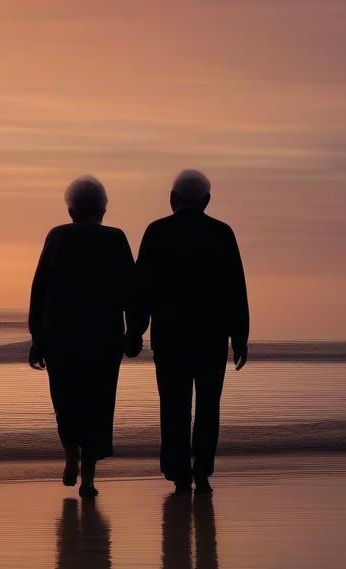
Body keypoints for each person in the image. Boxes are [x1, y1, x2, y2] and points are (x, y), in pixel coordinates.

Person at [130, 170, 249, 494]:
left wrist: (135, 329)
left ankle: (177, 470)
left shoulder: (157, 232)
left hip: (170, 335)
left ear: (173, 199)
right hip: (212, 336)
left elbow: (143, 288)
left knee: (173, 404)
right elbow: (236, 289)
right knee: (209, 404)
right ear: (207, 201)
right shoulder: (222, 233)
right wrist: (240, 337)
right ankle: (203, 470)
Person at [28, 175, 139, 498]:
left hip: (60, 334)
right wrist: (134, 331)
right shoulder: (115, 239)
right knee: (99, 404)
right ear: (103, 209)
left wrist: (37, 337)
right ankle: (89, 478)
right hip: (103, 335)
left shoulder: (58, 236)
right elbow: (130, 291)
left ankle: (70, 454)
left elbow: (40, 289)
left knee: (64, 400)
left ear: (71, 209)